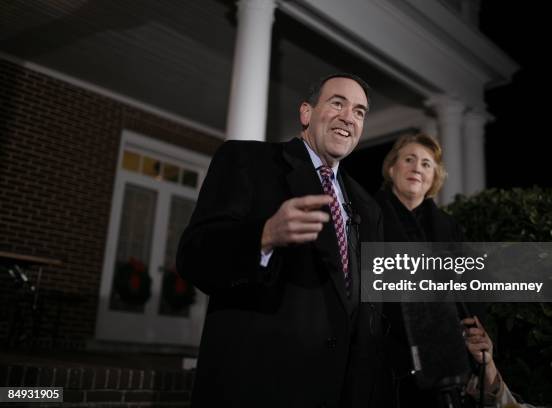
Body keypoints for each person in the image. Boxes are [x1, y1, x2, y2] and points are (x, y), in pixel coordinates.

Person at [176, 73, 385, 408]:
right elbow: (193, 257)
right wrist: (264, 236)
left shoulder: (367, 206)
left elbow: (366, 304)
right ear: (306, 113)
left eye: (359, 111)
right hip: (257, 387)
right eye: (337, 103)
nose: (349, 116)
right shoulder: (247, 161)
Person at [376, 133, 529, 408]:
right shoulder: (370, 215)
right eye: (409, 160)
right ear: (392, 168)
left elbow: (471, 288)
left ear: (434, 177)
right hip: (387, 358)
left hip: (446, 360)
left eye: (426, 164)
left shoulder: (449, 227)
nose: (416, 168)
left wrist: (475, 333)